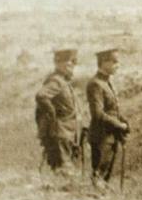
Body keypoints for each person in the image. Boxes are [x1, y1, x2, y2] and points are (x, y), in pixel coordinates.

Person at [86, 48, 129, 187]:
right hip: (101, 137)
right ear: (104, 62)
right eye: (114, 61)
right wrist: (119, 125)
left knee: (104, 179)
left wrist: (124, 121)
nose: (118, 65)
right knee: (99, 177)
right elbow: (98, 114)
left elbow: (112, 110)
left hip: (111, 136)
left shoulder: (107, 82)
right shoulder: (95, 84)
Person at [34, 49, 81, 175]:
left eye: (73, 61)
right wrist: (52, 114)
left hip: (67, 132)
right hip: (60, 132)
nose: (71, 65)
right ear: (57, 63)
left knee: (65, 169)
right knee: (65, 170)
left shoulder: (64, 81)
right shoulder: (56, 81)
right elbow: (41, 96)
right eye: (67, 61)